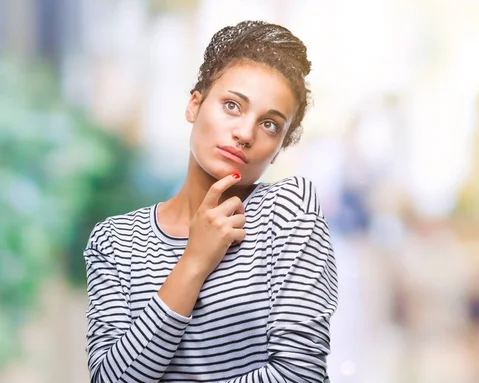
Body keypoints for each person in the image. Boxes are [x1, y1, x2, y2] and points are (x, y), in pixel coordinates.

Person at [84, 20, 338, 383]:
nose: (245, 134)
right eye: (233, 106)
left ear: (279, 148)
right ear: (194, 104)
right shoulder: (115, 240)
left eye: (270, 125)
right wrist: (194, 262)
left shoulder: (289, 212)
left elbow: (300, 375)